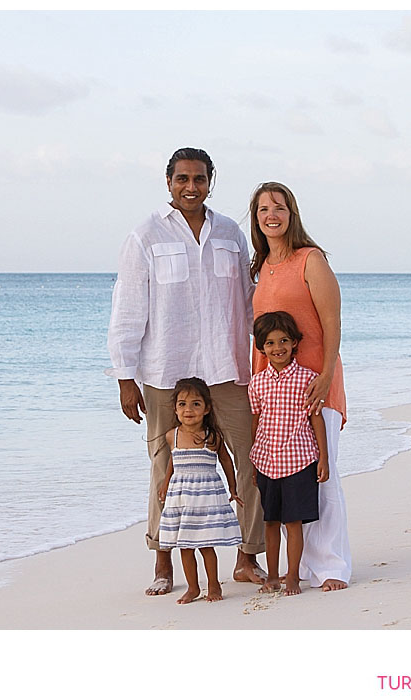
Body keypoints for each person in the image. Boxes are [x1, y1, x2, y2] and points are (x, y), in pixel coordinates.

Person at [106, 147, 266, 596]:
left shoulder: (231, 233)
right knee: (165, 469)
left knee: (250, 461)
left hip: (227, 370)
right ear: (168, 181)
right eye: (182, 179)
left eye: (199, 178)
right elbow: (128, 308)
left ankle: (248, 556)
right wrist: (125, 377)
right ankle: (163, 561)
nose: (191, 187)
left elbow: (250, 299)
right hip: (165, 373)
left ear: (211, 181)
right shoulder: (145, 236)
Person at [249, 181, 352, 591]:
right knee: (286, 482)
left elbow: (332, 324)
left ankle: (332, 567)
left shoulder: (311, 260)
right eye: (262, 210)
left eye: (278, 207)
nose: (271, 215)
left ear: (291, 213)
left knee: (321, 478)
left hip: (312, 387)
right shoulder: (261, 268)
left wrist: (325, 377)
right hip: (273, 390)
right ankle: (304, 566)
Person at [249, 312, 329, 596]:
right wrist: (253, 461)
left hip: (299, 460)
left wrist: (324, 457)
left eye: (284, 340)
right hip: (267, 462)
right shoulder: (257, 383)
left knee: (293, 522)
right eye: (270, 343)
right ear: (261, 348)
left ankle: (293, 576)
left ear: (295, 343)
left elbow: (315, 418)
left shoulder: (308, 379)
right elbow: (256, 421)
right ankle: (272, 576)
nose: (277, 347)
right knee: (270, 521)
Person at [157, 377, 244, 604]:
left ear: (206, 408)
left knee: (206, 544)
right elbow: (172, 462)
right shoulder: (172, 435)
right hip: (182, 496)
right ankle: (193, 587)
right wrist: (165, 484)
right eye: (182, 404)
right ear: (175, 409)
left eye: (196, 404)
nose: (189, 410)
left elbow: (226, 461)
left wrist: (233, 488)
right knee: (185, 546)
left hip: (206, 495)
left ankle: (213, 585)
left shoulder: (212, 436)